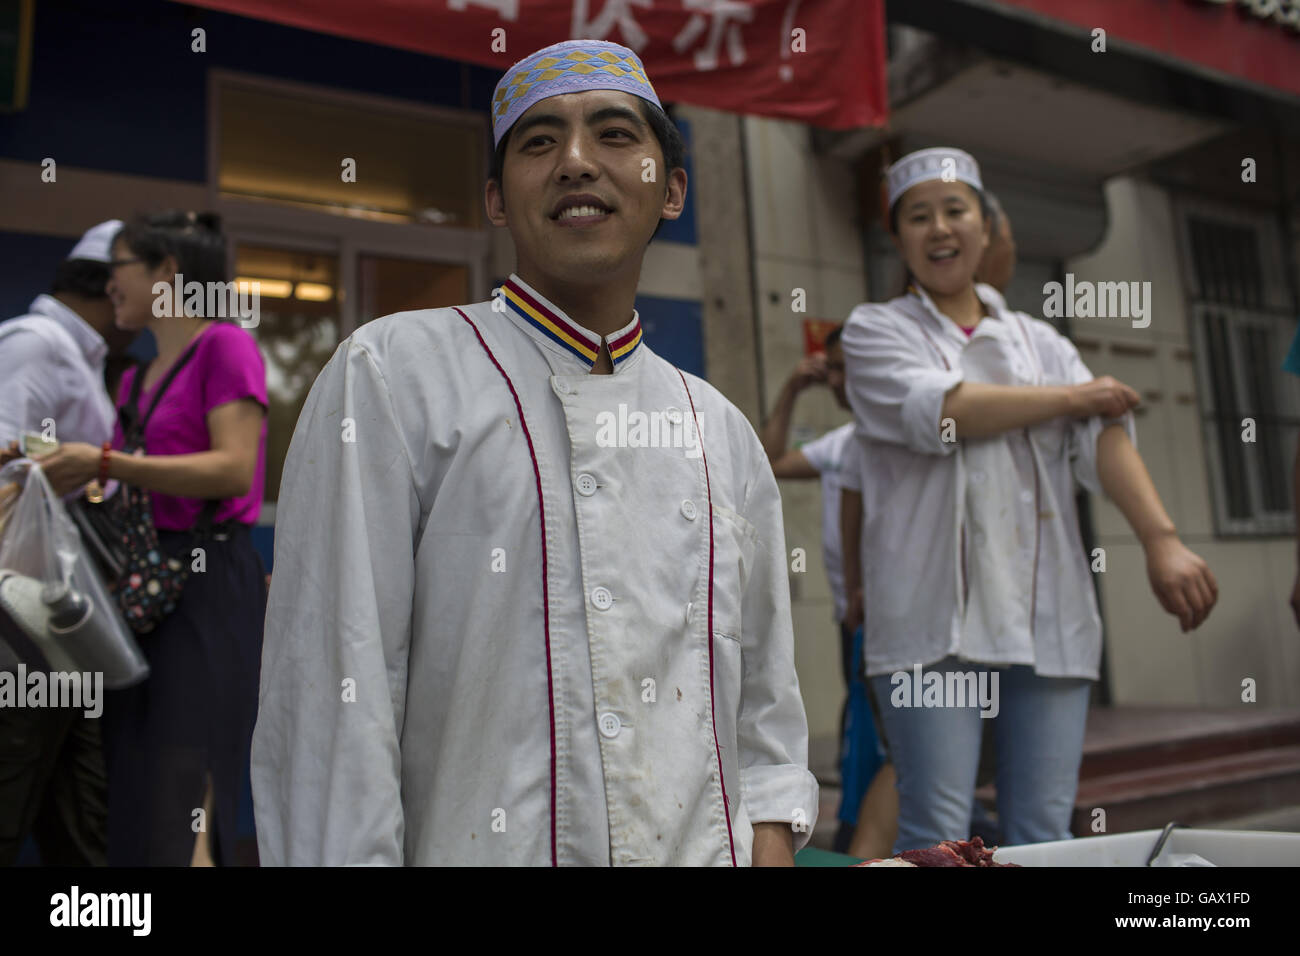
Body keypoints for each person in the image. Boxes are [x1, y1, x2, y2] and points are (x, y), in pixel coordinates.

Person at [251, 39, 817, 867]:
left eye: (617, 136)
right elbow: (333, 698)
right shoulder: (393, 373)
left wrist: (769, 840)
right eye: (539, 141)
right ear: (496, 198)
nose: (577, 162)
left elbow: (765, 707)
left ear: (673, 190)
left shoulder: (718, 430)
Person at [840, 147, 1218, 851]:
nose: (939, 227)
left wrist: (1162, 540)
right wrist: (1077, 396)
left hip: (1047, 616)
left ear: (987, 227)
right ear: (898, 239)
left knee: (1044, 835)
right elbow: (949, 412)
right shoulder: (875, 331)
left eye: (955, 210)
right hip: (932, 626)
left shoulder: (1042, 341)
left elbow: (1104, 436)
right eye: (917, 216)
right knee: (936, 832)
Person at [34, 211, 269, 866]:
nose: (110, 284)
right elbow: (126, 485)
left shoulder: (225, 346)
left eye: (120, 268)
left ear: (167, 272)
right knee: (135, 782)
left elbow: (231, 466)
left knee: (185, 779)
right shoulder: (137, 374)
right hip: (141, 589)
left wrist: (104, 463)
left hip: (204, 583)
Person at [0, 220, 132, 866]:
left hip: (61, 621)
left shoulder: (83, 355)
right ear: (109, 287)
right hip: (23, 624)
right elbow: (4, 466)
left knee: (80, 814)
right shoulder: (37, 343)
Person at [760, 327, 886, 854]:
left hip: (898, 619)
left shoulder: (897, 436)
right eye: (831, 369)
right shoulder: (842, 444)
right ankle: (866, 838)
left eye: (846, 367)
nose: (838, 380)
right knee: (867, 735)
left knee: (895, 746)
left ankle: (880, 841)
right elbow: (767, 462)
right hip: (855, 620)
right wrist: (790, 389)